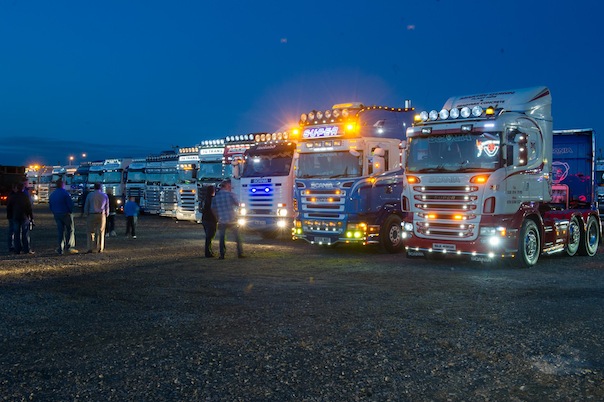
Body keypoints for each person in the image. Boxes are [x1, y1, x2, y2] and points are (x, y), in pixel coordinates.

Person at [211, 179, 244, 259]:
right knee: (237, 237)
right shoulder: (230, 195)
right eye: (229, 186)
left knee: (222, 238)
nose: (230, 187)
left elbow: (213, 208)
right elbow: (237, 204)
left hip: (222, 220)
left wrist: (217, 217)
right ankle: (240, 253)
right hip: (232, 219)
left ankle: (222, 254)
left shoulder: (216, 197)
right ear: (226, 186)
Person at [49, 179, 78, 254]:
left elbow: (51, 205)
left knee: (60, 231)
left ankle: (60, 248)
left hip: (57, 214)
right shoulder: (65, 194)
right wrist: (71, 211)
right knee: (70, 230)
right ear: (63, 185)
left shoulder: (53, 194)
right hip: (66, 214)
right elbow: (70, 204)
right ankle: (69, 247)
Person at [6, 182, 34, 255]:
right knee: (25, 234)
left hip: (15, 216)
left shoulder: (13, 197)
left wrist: (9, 216)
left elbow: (9, 207)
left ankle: (17, 249)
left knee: (16, 234)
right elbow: (29, 208)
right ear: (23, 188)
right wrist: (31, 217)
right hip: (24, 217)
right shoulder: (25, 197)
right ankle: (26, 249)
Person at [83, 182, 109, 253]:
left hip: (91, 214)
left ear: (94, 187)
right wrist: (106, 214)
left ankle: (90, 247)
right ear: (100, 187)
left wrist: (86, 213)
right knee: (101, 231)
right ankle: (100, 248)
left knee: (90, 231)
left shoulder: (90, 195)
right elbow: (107, 207)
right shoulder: (104, 195)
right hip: (101, 214)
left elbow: (87, 205)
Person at [201, 185, 217, 258]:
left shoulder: (204, 199)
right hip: (211, 219)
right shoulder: (212, 199)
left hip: (205, 219)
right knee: (210, 236)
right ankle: (208, 252)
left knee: (208, 236)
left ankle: (208, 251)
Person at [6, 184, 17, 253]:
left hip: (14, 215)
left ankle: (13, 245)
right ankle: (11, 246)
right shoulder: (12, 197)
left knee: (13, 231)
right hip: (13, 216)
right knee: (12, 231)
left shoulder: (11, 196)